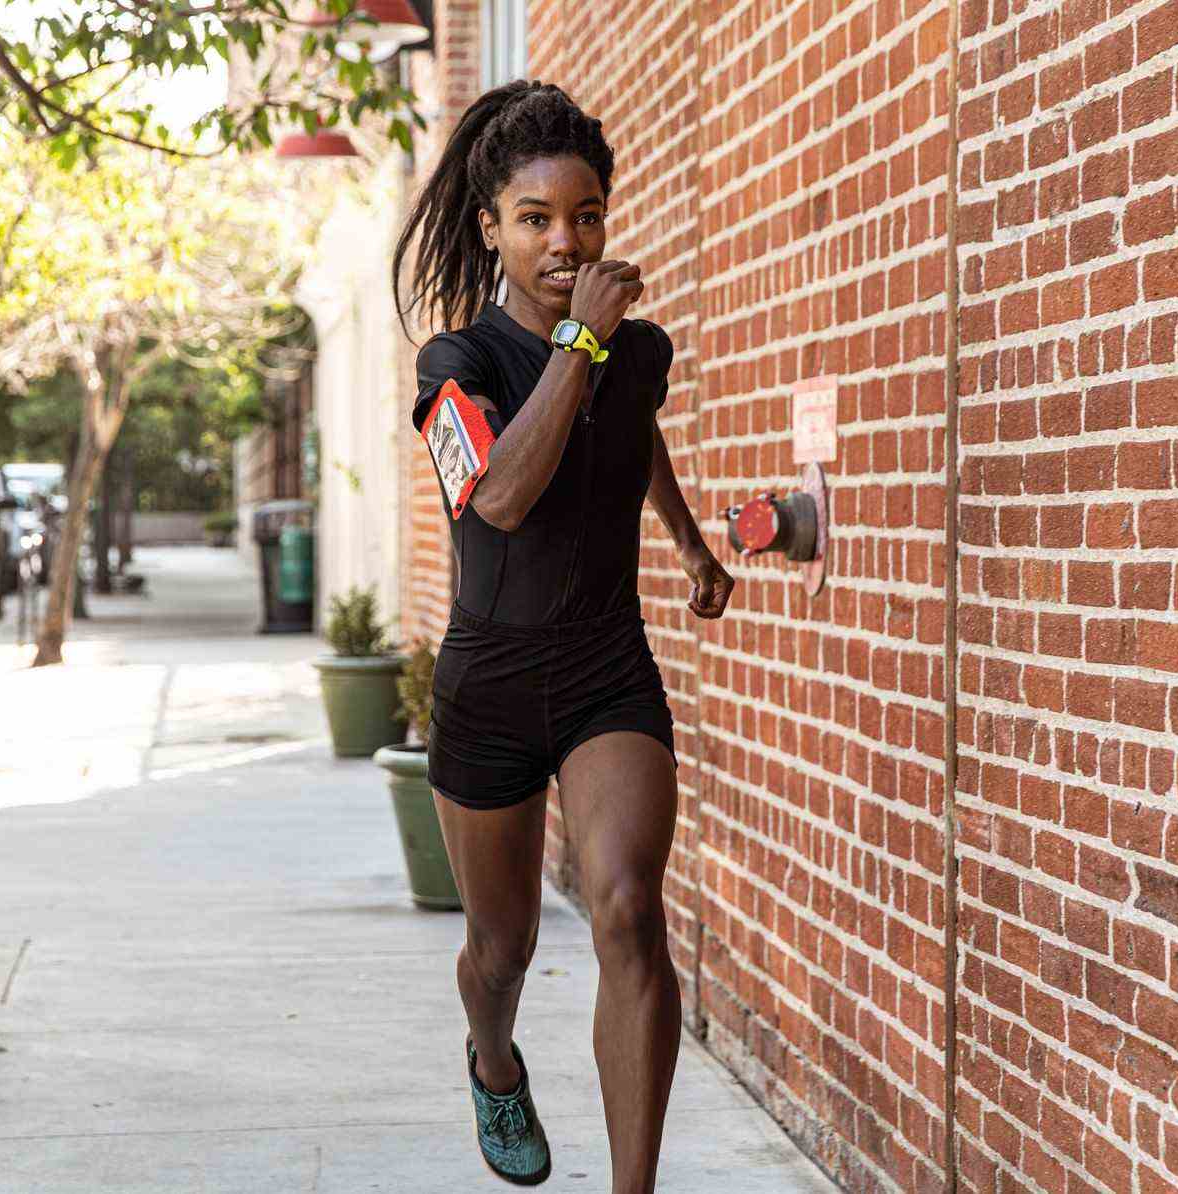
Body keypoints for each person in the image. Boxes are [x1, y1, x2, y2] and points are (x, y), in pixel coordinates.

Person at [393, 80, 735, 1191]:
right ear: (491, 226)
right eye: (535, 218)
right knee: (503, 951)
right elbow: (497, 498)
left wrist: (685, 544)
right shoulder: (456, 368)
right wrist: (579, 341)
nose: (565, 239)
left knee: (629, 911)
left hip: (605, 670)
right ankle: (493, 1060)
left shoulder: (636, 355)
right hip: (488, 683)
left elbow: (635, 442)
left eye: (585, 215)